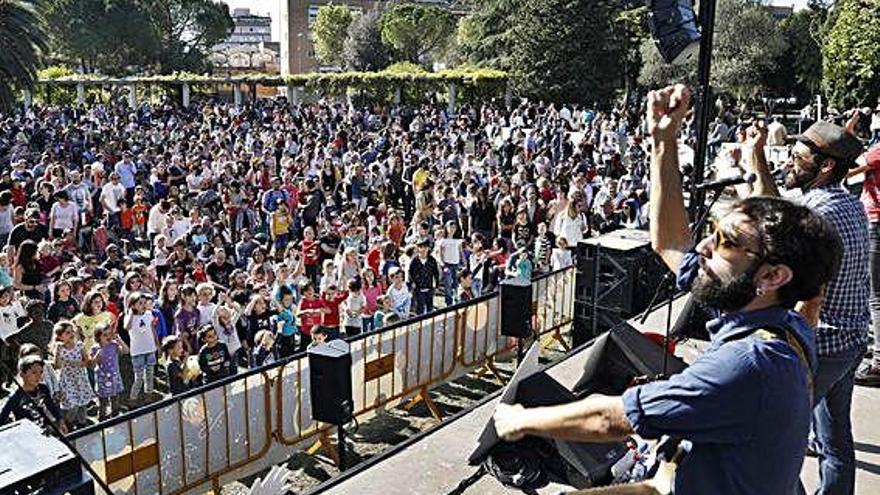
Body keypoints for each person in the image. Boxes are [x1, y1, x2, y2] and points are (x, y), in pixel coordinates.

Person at [493, 84, 842, 495]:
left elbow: (609, 421)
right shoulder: (773, 319)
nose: (705, 246)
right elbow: (671, 244)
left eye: (727, 241)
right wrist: (663, 140)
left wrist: (518, 421)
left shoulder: (752, 363)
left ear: (771, 277)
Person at [748, 118, 869, 495]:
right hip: (849, 342)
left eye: (798, 157)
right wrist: (759, 160)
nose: (790, 161)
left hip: (821, 348)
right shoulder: (846, 203)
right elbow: (780, 211)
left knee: (769, 440)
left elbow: (769, 226)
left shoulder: (818, 216)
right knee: (835, 442)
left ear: (826, 165)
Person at [854, 144, 880, 385]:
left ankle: (879, 364)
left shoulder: (878, 151)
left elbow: (848, 168)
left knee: (875, 296)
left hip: (877, 222)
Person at [0, 355, 66, 435]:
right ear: (22, 374)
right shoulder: (16, 396)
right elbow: (2, 418)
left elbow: (51, 406)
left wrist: (61, 421)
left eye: (41, 372)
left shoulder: (43, 389)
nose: (38, 376)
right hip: (26, 436)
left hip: (43, 433)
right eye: (34, 373)